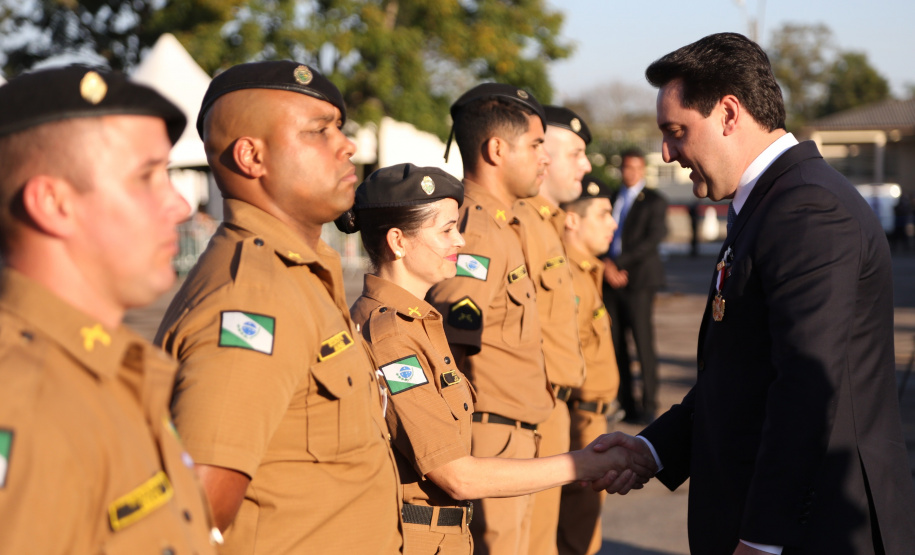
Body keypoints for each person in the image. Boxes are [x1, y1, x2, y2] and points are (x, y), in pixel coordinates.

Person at [601, 32, 915, 555]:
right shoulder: (771, 203)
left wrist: (765, 540)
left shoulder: (808, 208)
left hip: (815, 533)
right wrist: (651, 449)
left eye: (677, 131)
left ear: (729, 112)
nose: (667, 152)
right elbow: (743, 372)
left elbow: (806, 389)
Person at [154, 61, 401, 554]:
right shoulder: (252, 298)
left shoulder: (302, 272)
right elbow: (191, 514)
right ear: (251, 156)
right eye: (319, 131)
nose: (346, 145)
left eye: (340, 128)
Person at [342, 163, 652, 555]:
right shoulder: (391, 337)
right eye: (446, 230)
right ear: (398, 242)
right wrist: (583, 465)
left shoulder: (419, 324)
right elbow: (456, 475)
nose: (460, 240)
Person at [0, 65, 218, 553]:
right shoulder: (20, 399)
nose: (180, 206)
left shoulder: (113, 369)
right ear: (54, 204)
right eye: (147, 178)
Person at [426, 83, 552, 555]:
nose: (545, 158)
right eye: (537, 145)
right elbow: (449, 348)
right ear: (497, 148)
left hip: (513, 435)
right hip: (490, 438)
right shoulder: (476, 230)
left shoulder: (500, 222)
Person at [513, 105, 590, 555]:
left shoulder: (554, 224)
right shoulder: (517, 223)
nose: (586, 164)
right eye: (575, 153)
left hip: (556, 410)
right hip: (526, 416)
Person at [556, 175, 622, 555]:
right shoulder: (565, 276)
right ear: (572, 220)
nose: (613, 223)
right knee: (572, 543)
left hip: (590, 420)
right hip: (576, 421)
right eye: (603, 214)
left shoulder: (588, 270)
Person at [603, 147, 667, 424]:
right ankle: (627, 403)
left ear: (642, 170)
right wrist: (606, 264)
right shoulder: (610, 197)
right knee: (616, 344)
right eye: (626, 168)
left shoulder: (654, 200)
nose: (630, 173)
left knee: (643, 343)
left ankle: (650, 404)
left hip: (639, 281)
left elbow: (652, 240)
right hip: (609, 282)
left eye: (635, 168)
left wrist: (620, 263)